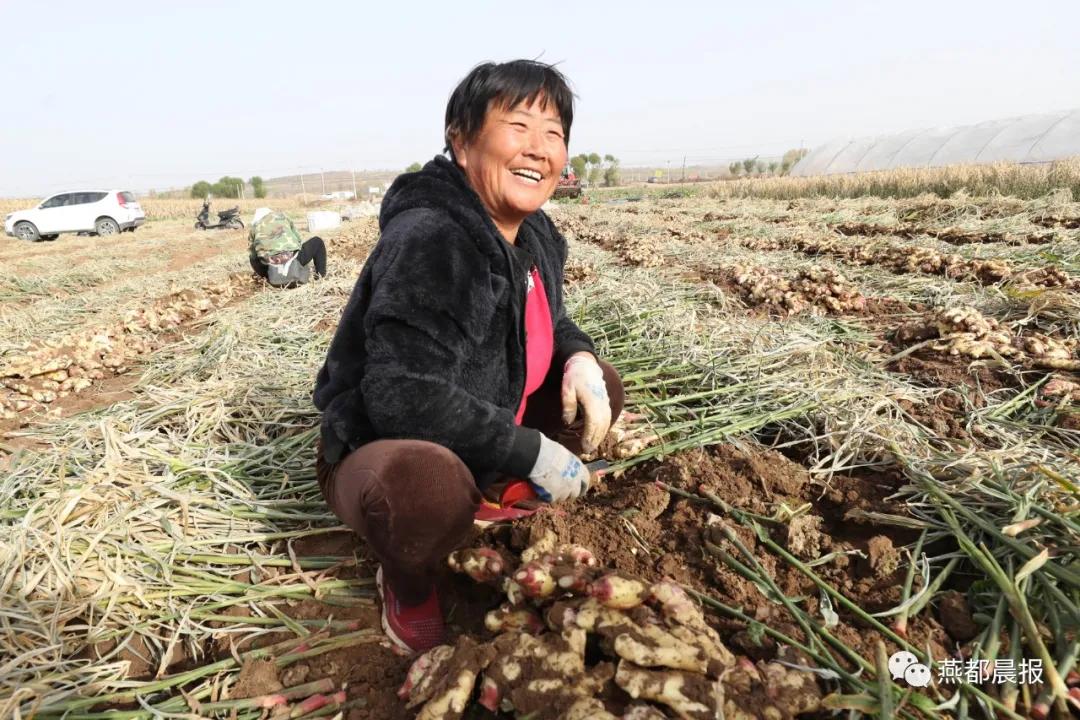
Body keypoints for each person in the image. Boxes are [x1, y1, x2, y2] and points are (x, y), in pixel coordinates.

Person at [312, 60, 624, 653]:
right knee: (425, 488)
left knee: (598, 384)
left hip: (480, 415)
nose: (539, 149)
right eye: (518, 126)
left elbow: (547, 322)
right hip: (387, 445)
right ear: (460, 140)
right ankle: (408, 582)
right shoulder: (434, 238)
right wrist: (529, 449)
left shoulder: (531, 235)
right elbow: (402, 394)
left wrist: (579, 355)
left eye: (554, 133)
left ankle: (493, 486)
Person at [249, 208, 327, 287]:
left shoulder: (254, 227)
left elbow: (252, 254)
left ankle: (269, 278)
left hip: (270, 265)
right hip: (293, 258)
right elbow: (298, 240)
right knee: (317, 241)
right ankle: (320, 276)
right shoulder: (283, 217)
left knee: (252, 257)